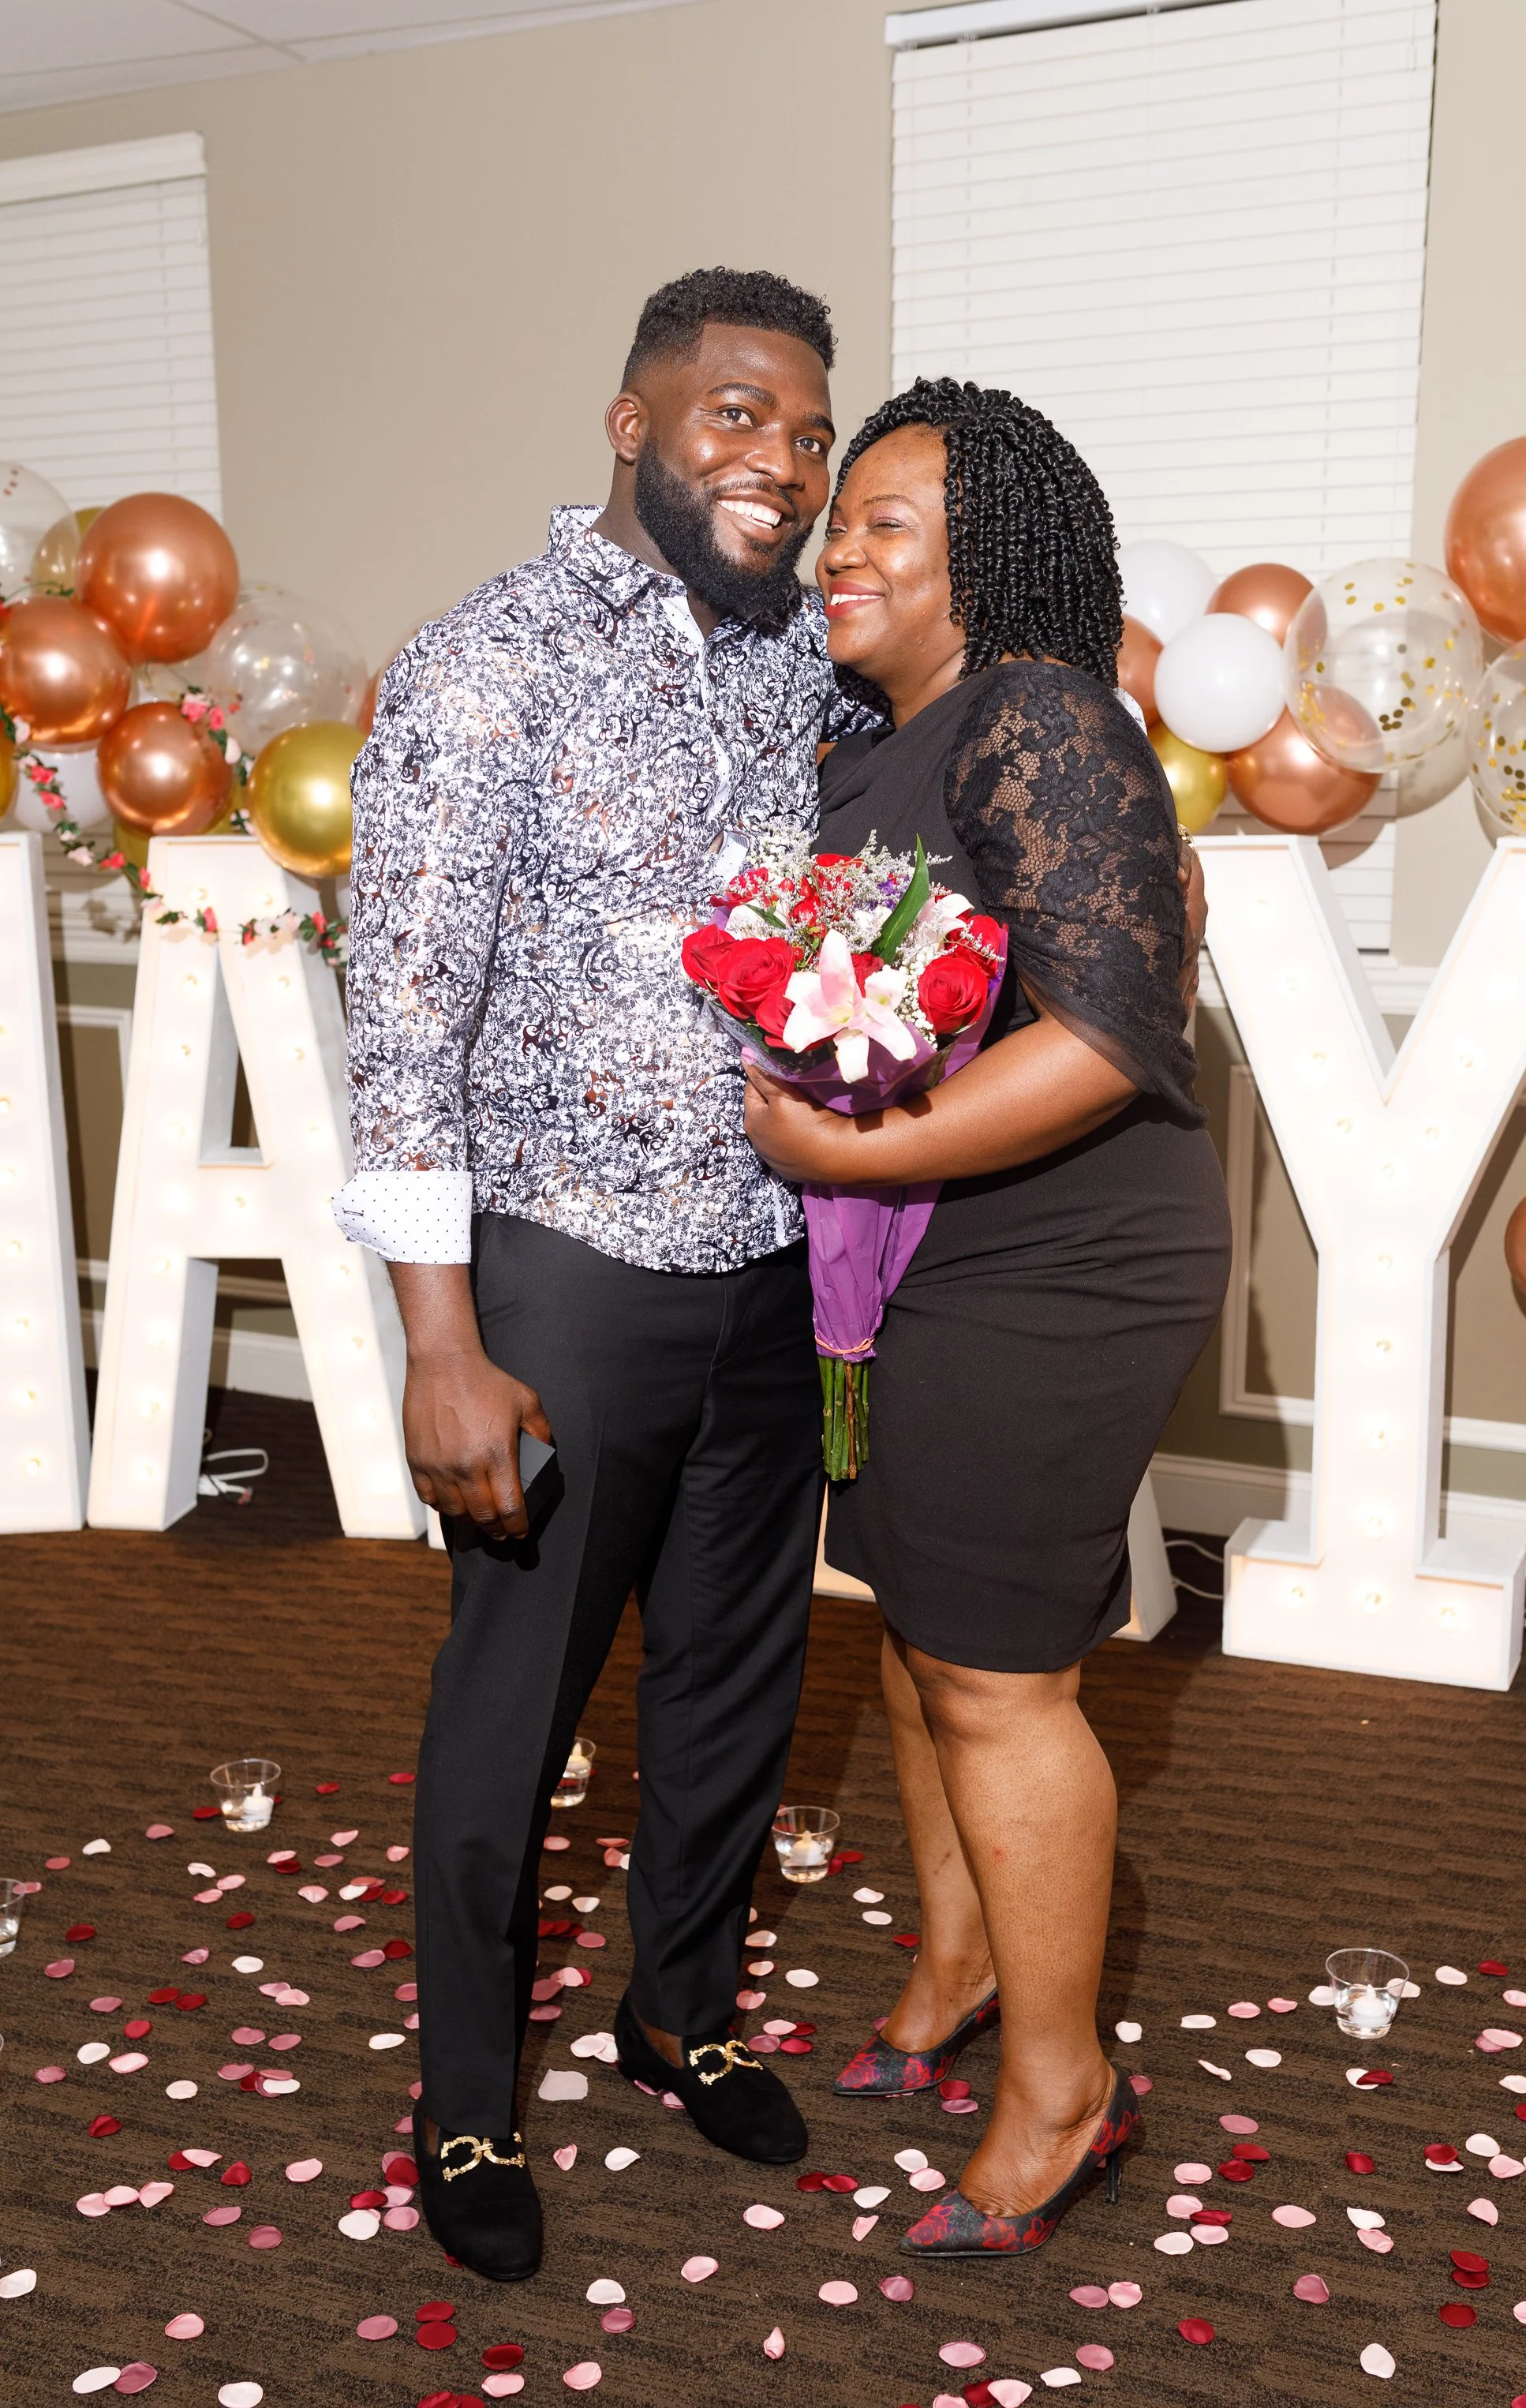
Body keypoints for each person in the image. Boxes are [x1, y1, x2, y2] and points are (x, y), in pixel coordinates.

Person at [333, 268, 878, 2283]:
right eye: (739, 414)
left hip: (765, 1260)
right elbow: (399, 1016)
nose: (782, 464)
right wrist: (441, 1346)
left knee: (739, 1684)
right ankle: (465, 2101)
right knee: (517, 1708)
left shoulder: (805, 662)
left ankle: (678, 2007)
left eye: (810, 434)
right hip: (562, 1270)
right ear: (630, 421)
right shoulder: (490, 661)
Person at [742, 378, 1232, 2258]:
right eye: (837, 516)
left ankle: (1065, 2084)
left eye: (883, 521)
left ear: (991, 560)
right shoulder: (878, 738)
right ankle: (954, 1970)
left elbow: (1112, 1036)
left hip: (1058, 1254)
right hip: (914, 1252)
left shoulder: (1042, 715)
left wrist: (863, 1160)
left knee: (998, 1674)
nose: (836, 545)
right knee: (911, 1613)